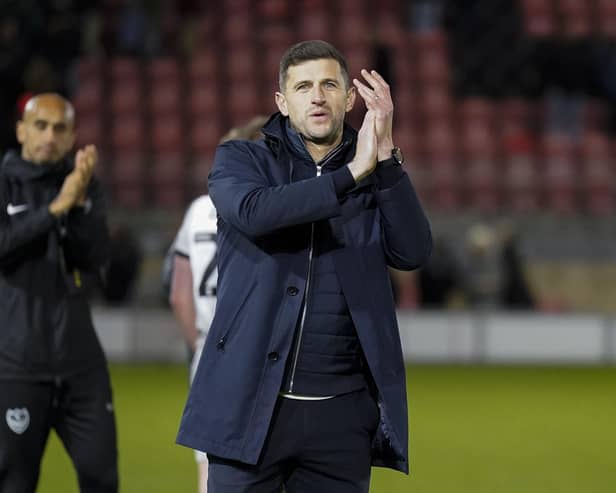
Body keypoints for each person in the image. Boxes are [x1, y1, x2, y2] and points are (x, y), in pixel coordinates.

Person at [176, 40, 432, 492]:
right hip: (248, 407)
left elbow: (412, 252)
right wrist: (351, 174)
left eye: (330, 84)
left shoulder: (377, 171)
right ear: (282, 101)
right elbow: (256, 212)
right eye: (303, 86)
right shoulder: (242, 159)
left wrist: (387, 156)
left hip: (340, 420)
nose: (317, 96)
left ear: (349, 99)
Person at [0, 93, 118, 492]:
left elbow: (96, 258)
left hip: (81, 365)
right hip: (16, 365)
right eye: (40, 125)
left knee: (101, 477)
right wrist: (55, 209)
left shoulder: (83, 184)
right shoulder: (4, 183)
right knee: (15, 482)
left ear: (72, 137)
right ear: (21, 131)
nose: (50, 136)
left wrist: (79, 202)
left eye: (60, 128)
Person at [167, 115, 267, 493]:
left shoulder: (197, 210)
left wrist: (199, 347)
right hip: (262, 347)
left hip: (211, 348)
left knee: (211, 466)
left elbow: (179, 293)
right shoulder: (269, 207)